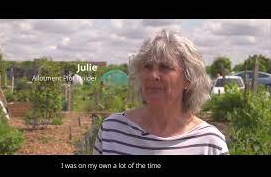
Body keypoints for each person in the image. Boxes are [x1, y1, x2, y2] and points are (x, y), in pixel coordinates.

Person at [92, 29, 229, 155]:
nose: (153, 75)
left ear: (188, 79)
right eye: (148, 66)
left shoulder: (210, 143)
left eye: (165, 67)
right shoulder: (112, 131)